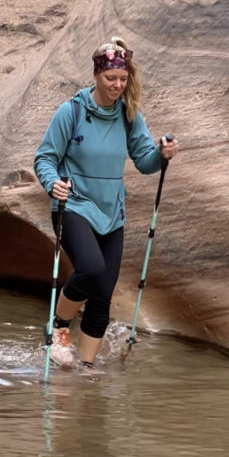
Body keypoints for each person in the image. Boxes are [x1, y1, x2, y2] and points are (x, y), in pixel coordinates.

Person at [34, 36, 178, 370]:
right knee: (91, 269)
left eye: (123, 79)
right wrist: (51, 182)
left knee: (102, 295)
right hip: (73, 205)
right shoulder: (71, 111)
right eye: (110, 78)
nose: (117, 85)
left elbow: (144, 161)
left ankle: (84, 370)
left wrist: (162, 154)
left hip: (112, 213)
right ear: (96, 75)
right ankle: (57, 328)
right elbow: (45, 158)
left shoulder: (128, 115)